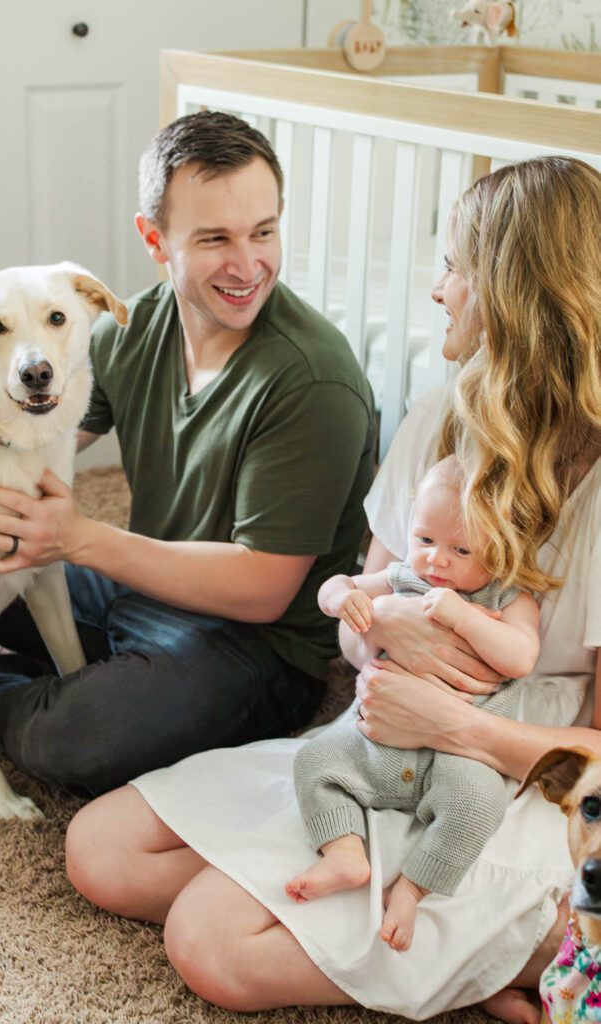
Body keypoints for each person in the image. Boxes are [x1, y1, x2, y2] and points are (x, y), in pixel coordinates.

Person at [64, 154, 600, 1023]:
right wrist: (384, 625)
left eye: (455, 268)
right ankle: (476, 956)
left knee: (211, 942)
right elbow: (354, 627)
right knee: (102, 849)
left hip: (518, 784)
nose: (437, 291)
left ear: (510, 291)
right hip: (382, 737)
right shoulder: (439, 417)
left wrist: (455, 724)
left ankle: (523, 934)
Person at [0, 110, 375, 796]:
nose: (248, 266)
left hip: (254, 651)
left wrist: (78, 539)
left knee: (79, 739)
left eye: (264, 233)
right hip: (143, 587)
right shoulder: (132, 328)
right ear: (154, 239)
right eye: (216, 239)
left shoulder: (313, 379)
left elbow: (263, 588)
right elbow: (33, 432)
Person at [286, 454, 540, 955]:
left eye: (460, 549)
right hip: (377, 739)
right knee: (314, 758)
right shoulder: (405, 578)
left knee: (479, 806)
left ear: (501, 550)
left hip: (459, 758)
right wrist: (342, 598)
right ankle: (344, 853)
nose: (435, 560)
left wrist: (464, 619)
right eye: (425, 539)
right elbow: (340, 584)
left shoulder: (507, 597)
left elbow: (523, 656)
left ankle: (413, 888)